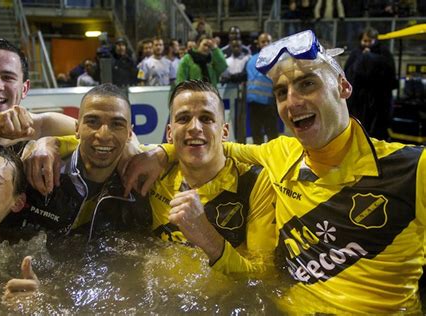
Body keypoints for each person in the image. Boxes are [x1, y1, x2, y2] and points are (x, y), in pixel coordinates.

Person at [123, 30, 426, 313]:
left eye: (308, 83)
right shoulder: (279, 153)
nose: (293, 101)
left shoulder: (413, 168)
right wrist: (161, 151)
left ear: (343, 86)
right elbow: (210, 147)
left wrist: (205, 233)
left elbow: (215, 140)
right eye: (281, 92)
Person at [148, 80, 275, 274]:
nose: (195, 127)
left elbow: (264, 276)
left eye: (206, 118)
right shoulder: (153, 173)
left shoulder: (255, 183)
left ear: (224, 132)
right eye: (183, 118)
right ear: (169, 134)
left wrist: (207, 236)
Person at [3, 83, 151, 240]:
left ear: (129, 134)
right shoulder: (38, 169)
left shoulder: (143, 182)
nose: (104, 135)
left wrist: (164, 155)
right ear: (76, 128)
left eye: (117, 124)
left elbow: (175, 152)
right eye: (92, 122)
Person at [0, 38, 76, 147]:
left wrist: (53, 143)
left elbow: (92, 133)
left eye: (8, 77)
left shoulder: (45, 127)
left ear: (24, 89)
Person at [344, 26, 397, 140]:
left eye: (370, 41)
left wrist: (369, 58)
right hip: (359, 99)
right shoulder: (356, 53)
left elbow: (389, 73)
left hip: (378, 99)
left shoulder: (384, 52)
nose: (367, 44)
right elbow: (349, 73)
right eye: (365, 41)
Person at [246, 33, 278, 144]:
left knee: (272, 135)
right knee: (256, 135)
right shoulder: (251, 60)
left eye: (268, 41)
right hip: (254, 104)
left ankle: (274, 159)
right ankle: (258, 160)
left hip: (269, 103)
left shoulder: (276, 59)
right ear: (258, 44)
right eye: (263, 42)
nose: (266, 44)